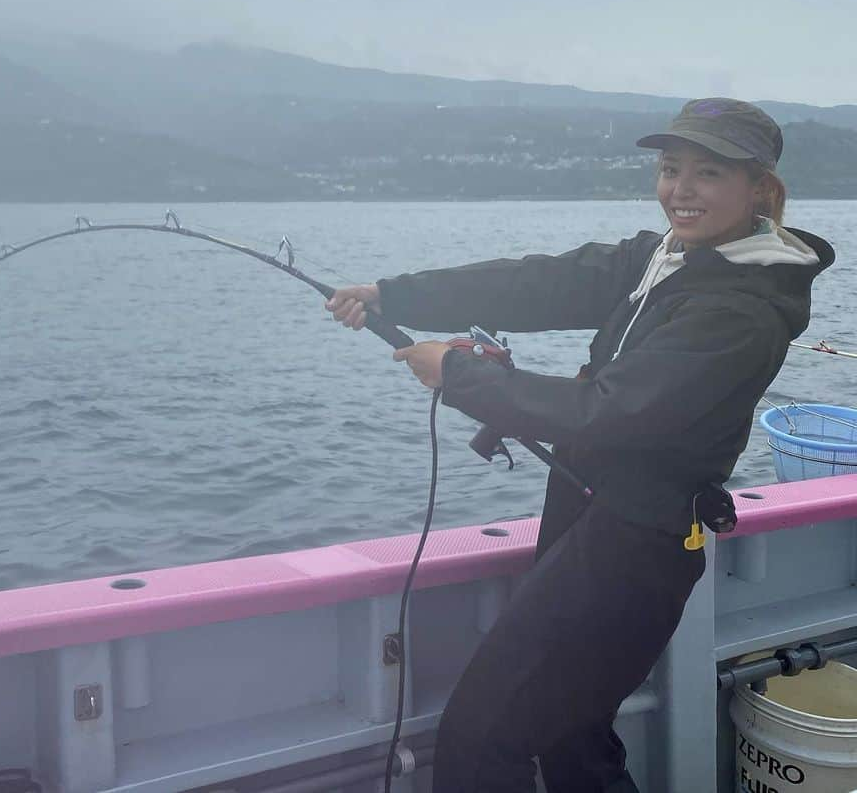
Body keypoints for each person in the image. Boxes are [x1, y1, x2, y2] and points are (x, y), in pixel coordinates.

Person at [325, 98, 833, 793]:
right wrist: (395, 293)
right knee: (574, 737)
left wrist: (457, 372)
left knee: (481, 740)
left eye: (708, 172)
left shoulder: (740, 306)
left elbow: (603, 412)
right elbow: (539, 281)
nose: (680, 189)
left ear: (758, 189)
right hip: (589, 508)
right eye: (669, 167)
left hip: (637, 539)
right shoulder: (667, 255)